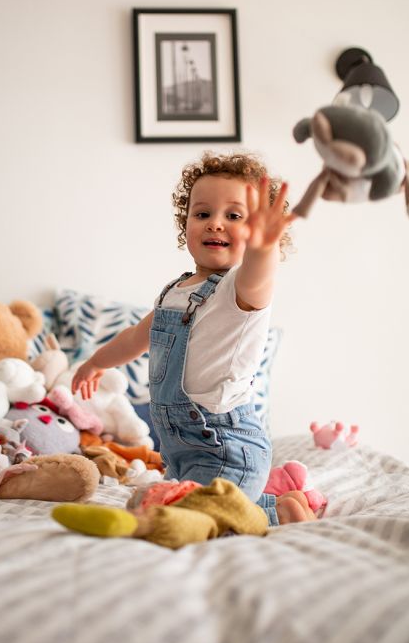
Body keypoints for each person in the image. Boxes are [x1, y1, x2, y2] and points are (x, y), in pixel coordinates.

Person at [72, 151, 316, 527]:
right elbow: (138, 336)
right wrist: (97, 363)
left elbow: (256, 275)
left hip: (227, 446)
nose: (215, 224)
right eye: (202, 214)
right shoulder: (176, 291)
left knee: (186, 522)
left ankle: (276, 514)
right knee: (150, 503)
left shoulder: (240, 290)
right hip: (181, 449)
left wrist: (263, 248)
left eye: (234, 216)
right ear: (184, 223)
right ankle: (277, 506)